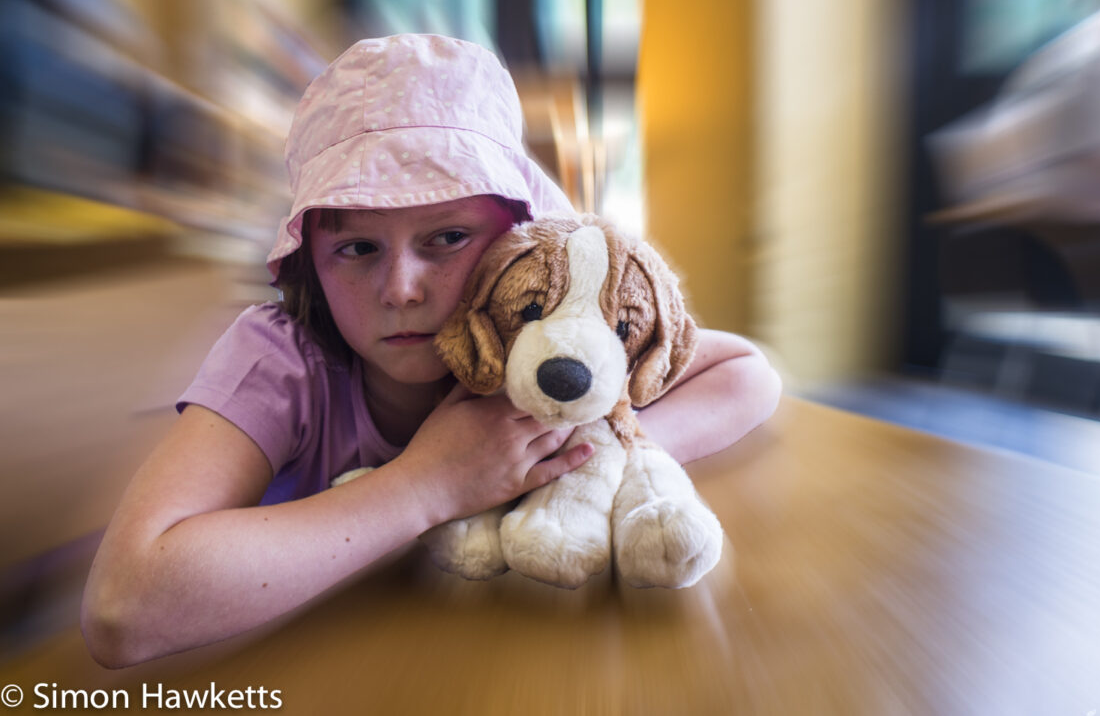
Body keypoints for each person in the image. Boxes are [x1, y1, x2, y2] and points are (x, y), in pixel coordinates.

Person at [81, 34, 781, 668]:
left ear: (521, 240)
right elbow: (122, 606)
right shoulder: (280, 358)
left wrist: (590, 460)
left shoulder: (542, 353)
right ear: (310, 266)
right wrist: (429, 485)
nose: (401, 288)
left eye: (446, 237)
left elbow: (747, 374)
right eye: (356, 248)